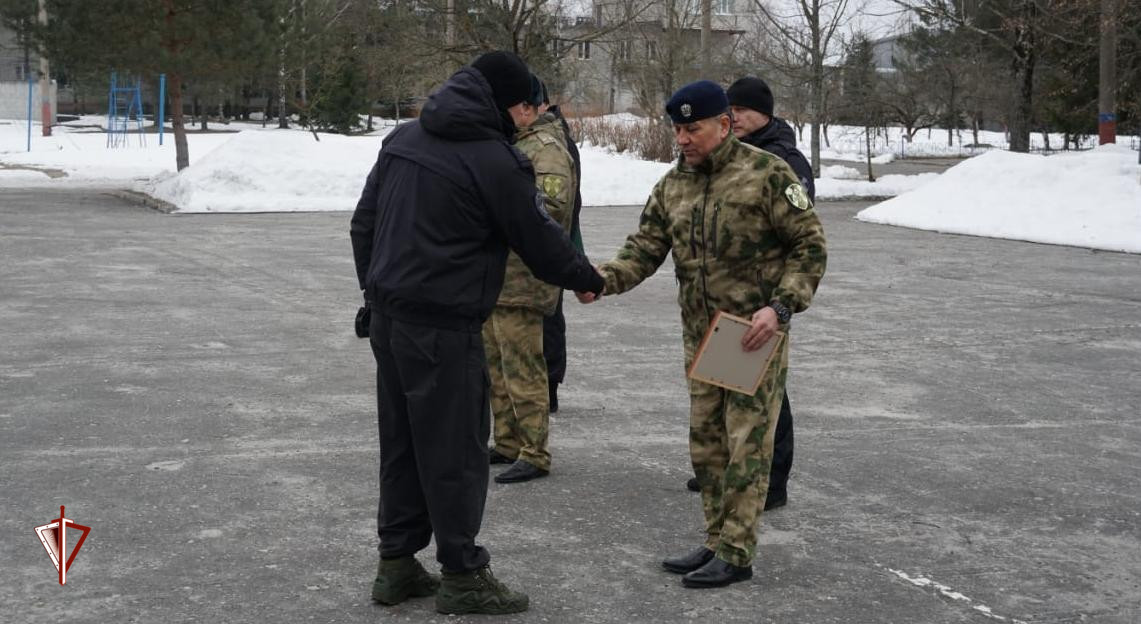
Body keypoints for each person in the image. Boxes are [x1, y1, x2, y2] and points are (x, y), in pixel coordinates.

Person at [350, 51, 604, 615]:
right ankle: (463, 575)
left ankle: (395, 566)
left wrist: (375, 292)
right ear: (510, 104)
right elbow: (539, 240)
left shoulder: (404, 139)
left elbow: (363, 224)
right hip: (444, 329)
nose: (526, 119)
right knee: (456, 454)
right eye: (524, 109)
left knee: (403, 447)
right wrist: (587, 279)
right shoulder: (495, 160)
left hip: (390, 324)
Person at [579, 80, 826, 588]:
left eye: (693, 128)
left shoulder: (767, 175)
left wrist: (780, 308)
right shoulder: (674, 185)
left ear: (724, 125)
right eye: (678, 129)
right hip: (702, 334)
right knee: (708, 444)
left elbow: (810, 247)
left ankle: (737, 552)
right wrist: (602, 280)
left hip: (748, 334)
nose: (684, 138)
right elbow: (645, 248)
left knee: (746, 446)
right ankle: (716, 540)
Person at [683, 76, 815, 510]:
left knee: (768, 400)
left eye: (741, 109)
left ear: (765, 112)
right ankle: (728, 473)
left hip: (764, 304)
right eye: (729, 109)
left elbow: (802, 237)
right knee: (729, 394)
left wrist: (780, 302)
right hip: (725, 305)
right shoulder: (720, 161)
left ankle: (770, 482)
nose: (733, 115)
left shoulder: (780, 162)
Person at [485, 75, 578, 484]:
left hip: (524, 280)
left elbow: (553, 207)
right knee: (497, 367)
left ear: (528, 107)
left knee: (523, 369)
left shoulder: (546, 148)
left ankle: (534, 450)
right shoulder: (515, 143)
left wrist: (502, 212)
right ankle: (506, 441)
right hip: (500, 278)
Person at [539, 82, 584, 415]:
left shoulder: (554, 142)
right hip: (554, 240)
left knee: (548, 314)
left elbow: (565, 205)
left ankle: (549, 384)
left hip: (554, 239)